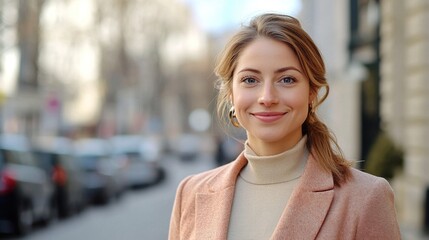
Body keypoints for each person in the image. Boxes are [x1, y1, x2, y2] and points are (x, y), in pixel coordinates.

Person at [169, 13, 401, 239]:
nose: (267, 97)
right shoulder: (191, 194)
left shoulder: (365, 198)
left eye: (287, 79)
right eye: (250, 80)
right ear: (231, 93)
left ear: (311, 92)